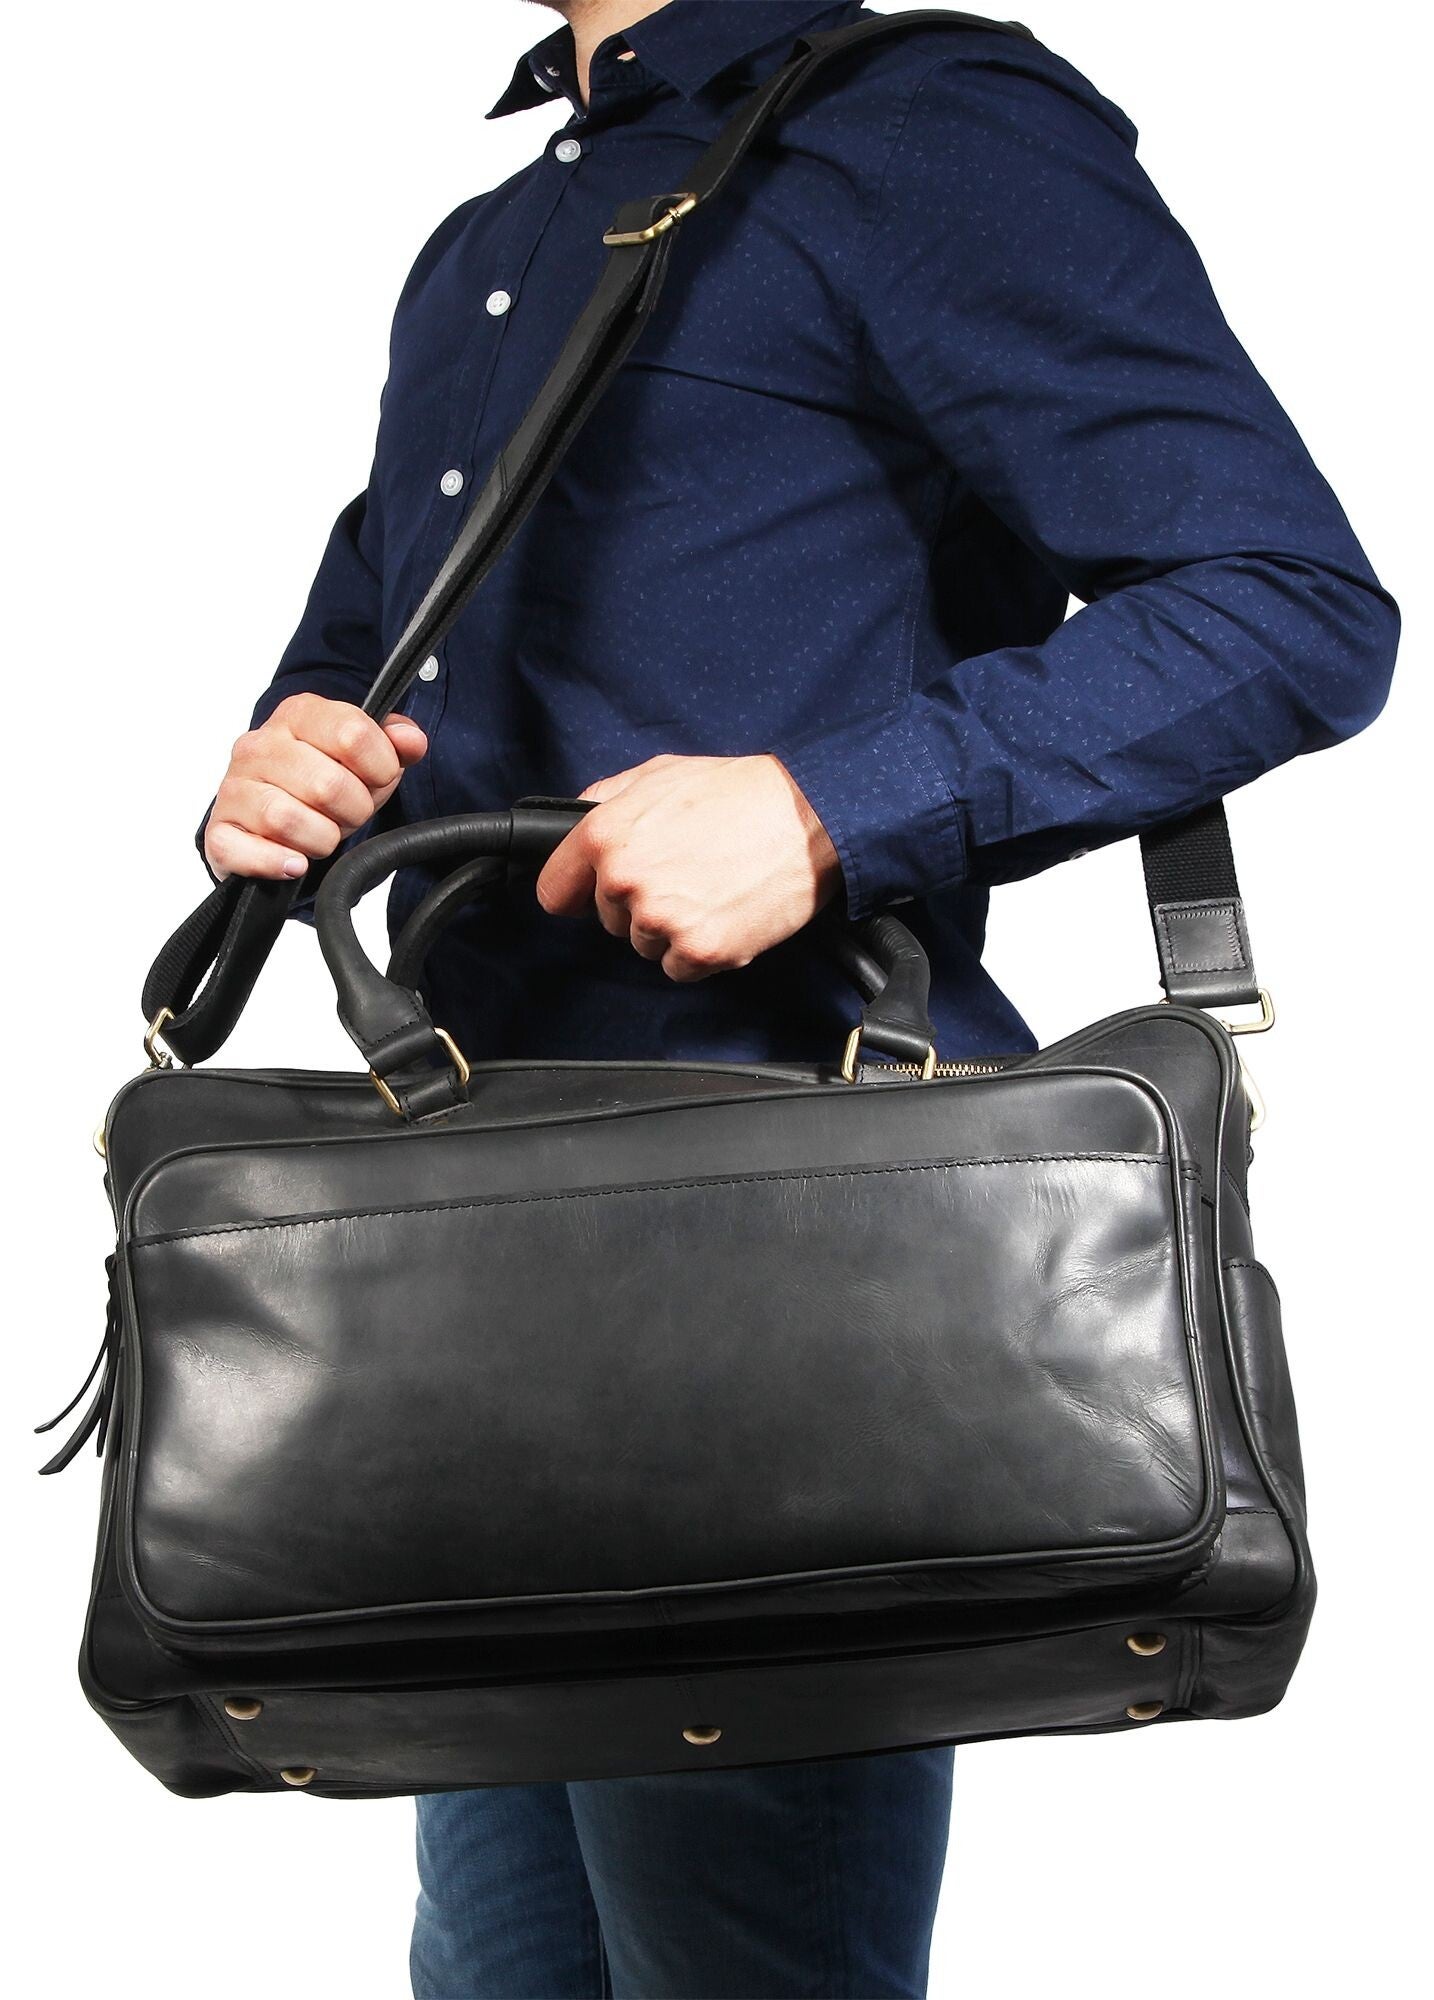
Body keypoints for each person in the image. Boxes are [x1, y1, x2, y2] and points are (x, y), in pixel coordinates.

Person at [199, 4, 1399, 1994]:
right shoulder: (491, 241)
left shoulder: (923, 127)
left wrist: (826, 808)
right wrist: (288, 758)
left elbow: (1282, 604)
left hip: (772, 1266)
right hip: (453, 1283)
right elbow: (369, 661)